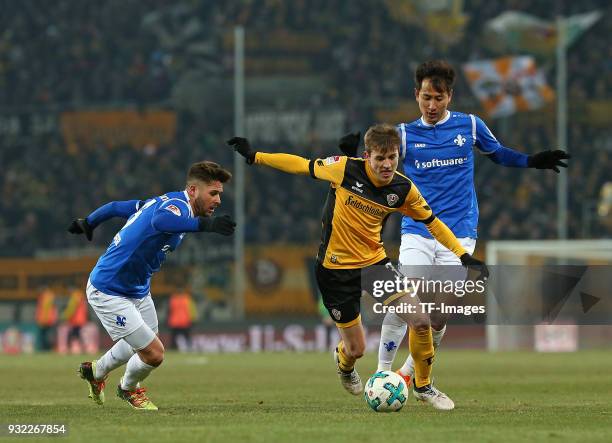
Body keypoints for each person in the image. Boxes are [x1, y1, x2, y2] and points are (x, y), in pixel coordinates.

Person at [338, 60, 570, 388]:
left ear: (450, 96)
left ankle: (406, 374)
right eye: (426, 98)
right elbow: (377, 165)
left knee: (438, 315)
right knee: (405, 298)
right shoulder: (404, 134)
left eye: (439, 98)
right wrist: (350, 157)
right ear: (416, 95)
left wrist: (532, 161)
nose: (432, 105)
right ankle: (383, 371)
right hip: (418, 229)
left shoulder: (471, 126)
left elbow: (498, 153)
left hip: (459, 232)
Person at [228, 123, 488, 410]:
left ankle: (424, 386)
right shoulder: (343, 169)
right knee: (357, 349)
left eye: (393, 157)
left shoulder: (403, 189)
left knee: (421, 321)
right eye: (380, 158)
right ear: (367, 156)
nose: (387, 165)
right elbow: (301, 165)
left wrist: (462, 255)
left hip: (375, 264)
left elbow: (433, 223)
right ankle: (344, 364)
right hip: (335, 271)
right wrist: (256, 156)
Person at [68, 161, 235, 410]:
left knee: (142, 342)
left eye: (219, 194)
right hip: (109, 289)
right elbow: (160, 222)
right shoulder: (174, 207)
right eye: (213, 193)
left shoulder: (160, 202)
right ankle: (128, 389)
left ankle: (96, 371)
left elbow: (115, 207)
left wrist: (89, 222)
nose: (218, 200)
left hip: (137, 289)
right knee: (154, 353)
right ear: (192, 190)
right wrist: (206, 225)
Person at [62, 288, 88, 353]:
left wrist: (65, 316)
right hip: (80, 319)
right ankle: (82, 347)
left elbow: (71, 308)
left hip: (76, 319)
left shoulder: (74, 297)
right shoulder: (80, 296)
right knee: (77, 333)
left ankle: (70, 348)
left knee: (72, 334)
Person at [35, 287, 57, 351]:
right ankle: (47, 348)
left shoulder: (46, 297)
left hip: (46, 320)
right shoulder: (48, 296)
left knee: (45, 335)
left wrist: (42, 319)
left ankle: (46, 348)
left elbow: (45, 309)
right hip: (47, 319)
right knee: (46, 335)